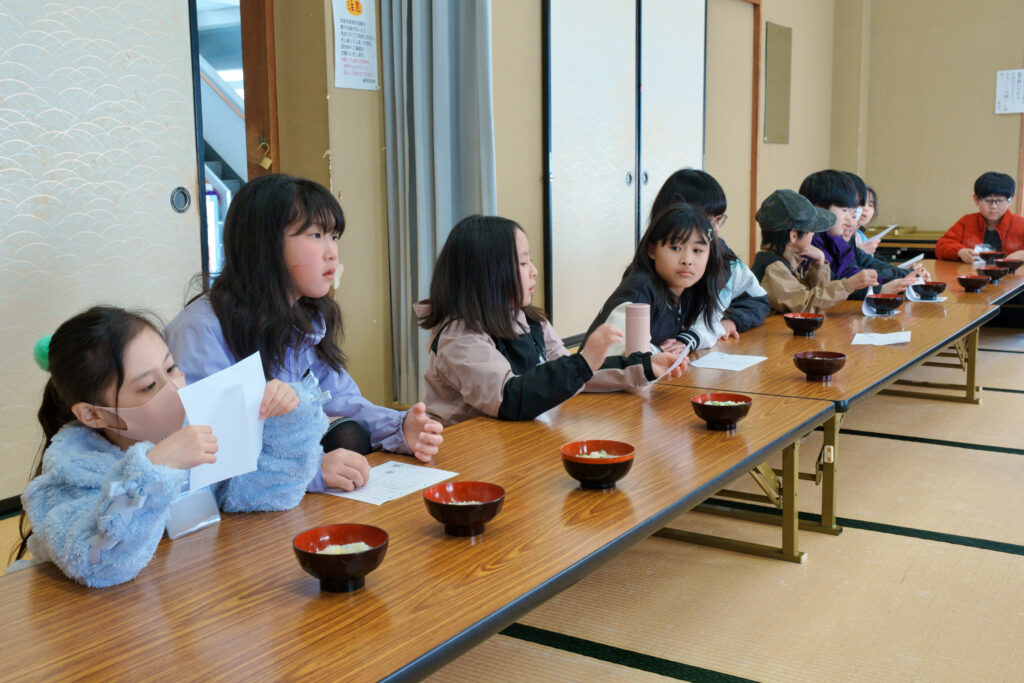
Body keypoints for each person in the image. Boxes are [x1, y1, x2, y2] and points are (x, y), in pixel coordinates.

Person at [166, 175, 443, 493]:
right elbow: (210, 455)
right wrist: (310, 471)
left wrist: (399, 427)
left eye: (333, 236)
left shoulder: (303, 318)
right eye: (315, 234)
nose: (332, 253)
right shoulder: (201, 331)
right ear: (265, 243)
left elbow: (339, 397)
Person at [14, 306, 326, 587]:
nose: (174, 388)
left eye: (171, 368)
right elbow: (98, 565)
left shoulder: (197, 426)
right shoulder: (69, 475)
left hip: (184, 595)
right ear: (93, 414)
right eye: (148, 386)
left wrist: (286, 419)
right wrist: (150, 472)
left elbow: (269, 495)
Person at [416, 215, 685, 426]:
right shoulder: (459, 337)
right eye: (522, 264)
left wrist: (642, 368)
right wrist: (583, 362)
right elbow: (509, 397)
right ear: (488, 275)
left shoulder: (529, 320)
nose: (534, 272)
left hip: (517, 439)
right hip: (469, 455)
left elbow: (568, 374)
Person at [587, 203, 730, 356]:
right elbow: (624, 352)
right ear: (652, 250)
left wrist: (687, 340)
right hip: (598, 377)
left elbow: (711, 322)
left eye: (697, 250)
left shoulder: (691, 288)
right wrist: (659, 353)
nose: (687, 260)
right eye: (675, 248)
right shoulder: (640, 290)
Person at [645, 169, 770, 342]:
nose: (716, 229)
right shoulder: (645, 276)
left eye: (718, 220)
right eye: (709, 221)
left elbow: (758, 299)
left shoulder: (722, 256)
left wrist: (732, 320)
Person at [800, 170, 921, 299]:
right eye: (845, 210)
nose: (852, 221)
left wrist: (908, 276)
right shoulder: (808, 241)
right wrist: (881, 289)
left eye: (854, 213)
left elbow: (859, 270)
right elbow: (830, 284)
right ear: (820, 210)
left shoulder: (837, 240)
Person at [751, 190, 875, 312]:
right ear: (794, 236)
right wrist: (849, 285)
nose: (813, 234)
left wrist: (820, 261)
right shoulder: (772, 267)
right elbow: (805, 304)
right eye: (810, 230)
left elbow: (812, 295)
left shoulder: (785, 261)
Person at [935, 171, 1024, 263]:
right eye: (988, 200)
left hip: (1012, 276)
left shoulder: (1020, 224)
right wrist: (959, 251)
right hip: (974, 274)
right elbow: (941, 246)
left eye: (1000, 200)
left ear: (1011, 200)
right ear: (976, 200)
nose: (993, 206)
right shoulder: (967, 221)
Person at [851, 186, 880, 255]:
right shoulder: (839, 236)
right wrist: (861, 252)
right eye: (861, 203)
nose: (865, 208)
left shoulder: (862, 237)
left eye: (870, 205)